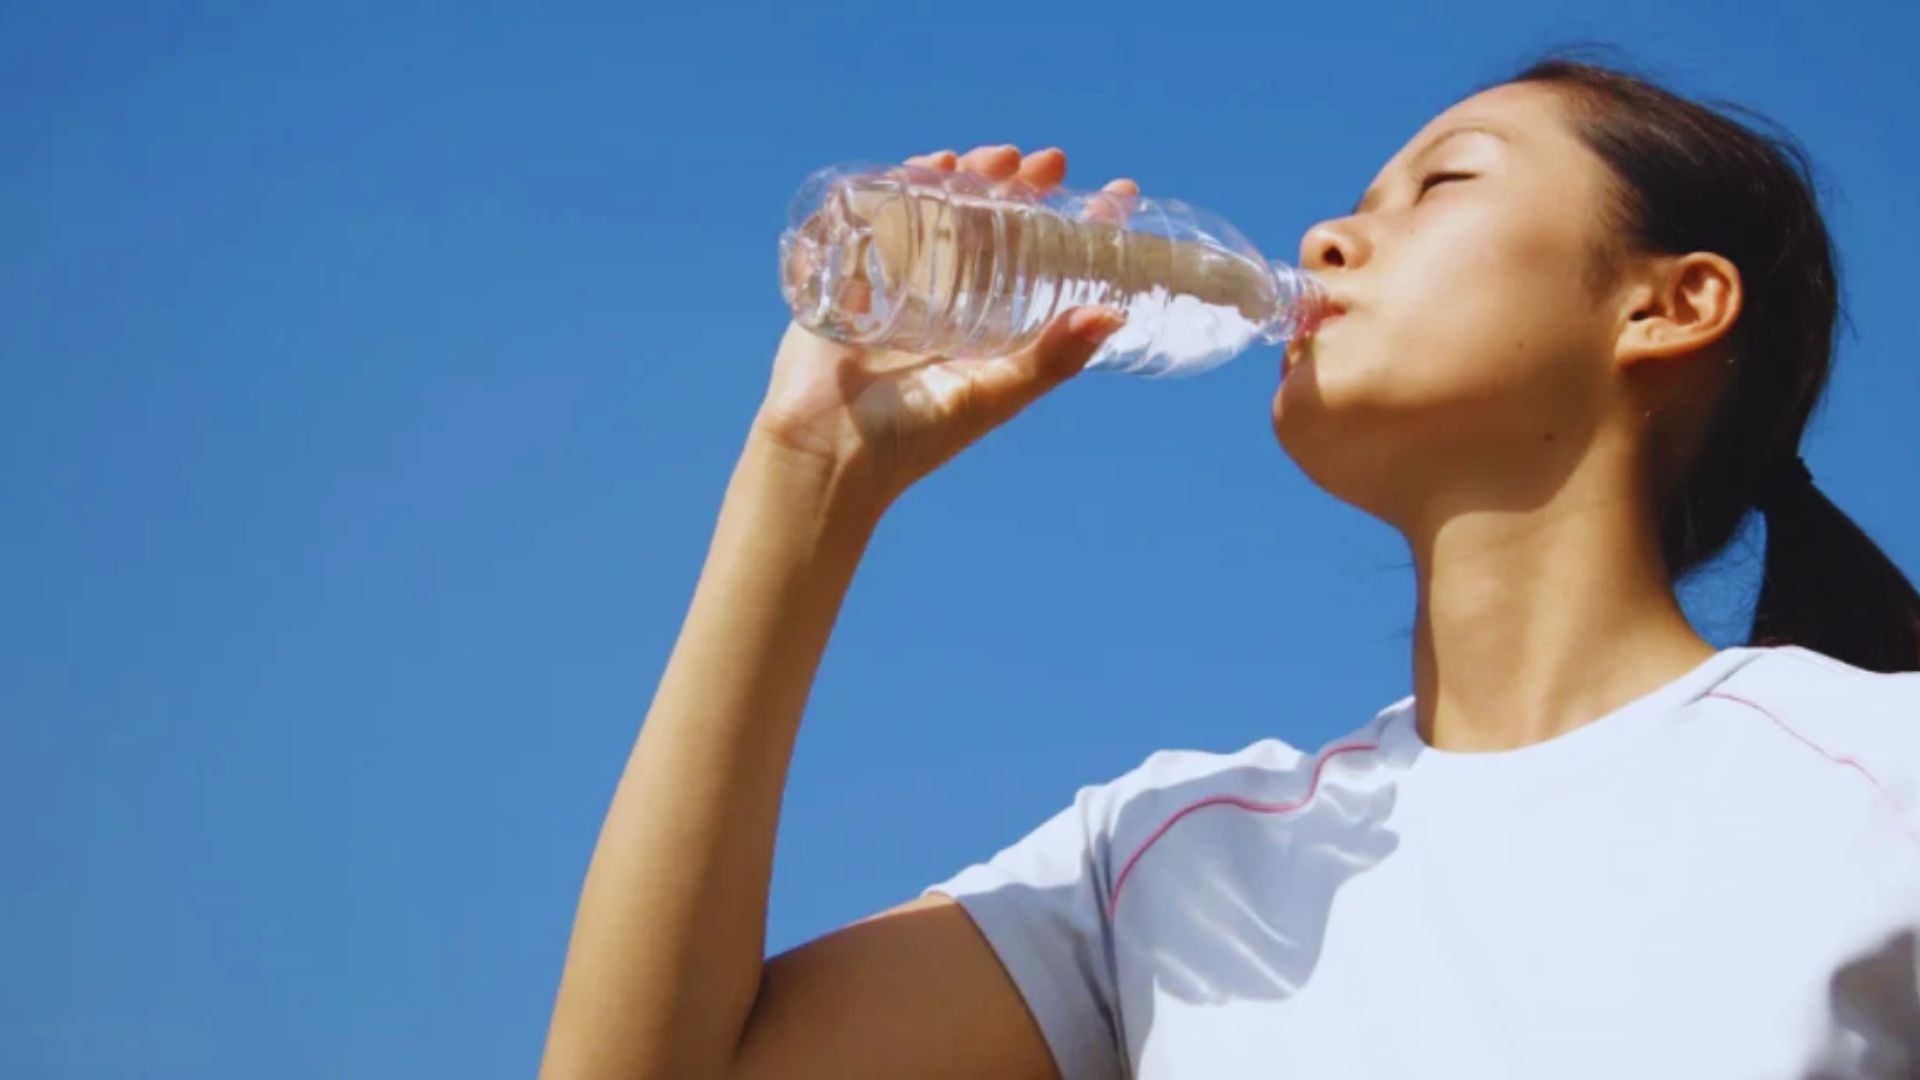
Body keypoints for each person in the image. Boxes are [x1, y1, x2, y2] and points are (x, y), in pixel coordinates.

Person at [539, 58, 1920, 1079]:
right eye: (1355, 200)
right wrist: (807, 477)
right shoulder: (1167, 861)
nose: (1329, 239)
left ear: (1669, 306)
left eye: (1443, 182)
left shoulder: (1875, 776)